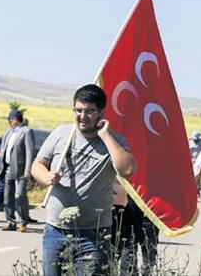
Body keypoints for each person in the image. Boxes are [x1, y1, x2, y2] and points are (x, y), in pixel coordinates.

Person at [31, 84, 137, 276]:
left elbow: (127, 169)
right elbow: (37, 165)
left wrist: (104, 135)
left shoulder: (114, 141)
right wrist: (45, 176)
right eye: (78, 110)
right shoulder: (61, 134)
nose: (82, 116)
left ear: (101, 113)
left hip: (93, 235)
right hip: (56, 231)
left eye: (89, 111)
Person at [0, 109, 34, 232]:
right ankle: (11, 222)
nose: (9, 121)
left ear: (15, 119)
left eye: (10, 119)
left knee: (19, 196)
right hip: (7, 168)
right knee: (7, 197)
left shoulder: (26, 131)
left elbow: (30, 152)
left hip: (21, 169)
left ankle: (24, 221)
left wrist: (28, 169)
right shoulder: (8, 132)